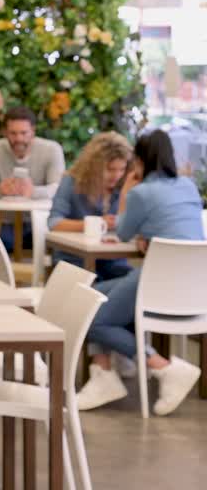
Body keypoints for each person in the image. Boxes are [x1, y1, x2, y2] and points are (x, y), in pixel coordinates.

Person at [75, 130, 204, 413]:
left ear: (139, 161)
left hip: (158, 282)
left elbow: (122, 233)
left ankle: (162, 366)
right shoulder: (188, 185)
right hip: (195, 290)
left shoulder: (141, 193)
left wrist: (124, 193)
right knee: (91, 297)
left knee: (91, 317)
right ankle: (103, 373)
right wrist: (148, 236)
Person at [47, 132, 133, 281]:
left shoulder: (124, 187)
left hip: (112, 260)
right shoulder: (72, 182)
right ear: (94, 166)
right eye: (110, 169)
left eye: (122, 169)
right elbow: (54, 223)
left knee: (137, 282)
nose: (117, 175)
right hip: (75, 260)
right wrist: (97, 223)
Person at [0, 107, 65, 253]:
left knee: (53, 244)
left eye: (24, 133)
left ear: (33, 131)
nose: (19, 139)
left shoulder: (52, 150)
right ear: (4, 132)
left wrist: (33, 191)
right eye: (13, 133)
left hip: (41, 222)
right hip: (4, 224)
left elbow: (59, 189)